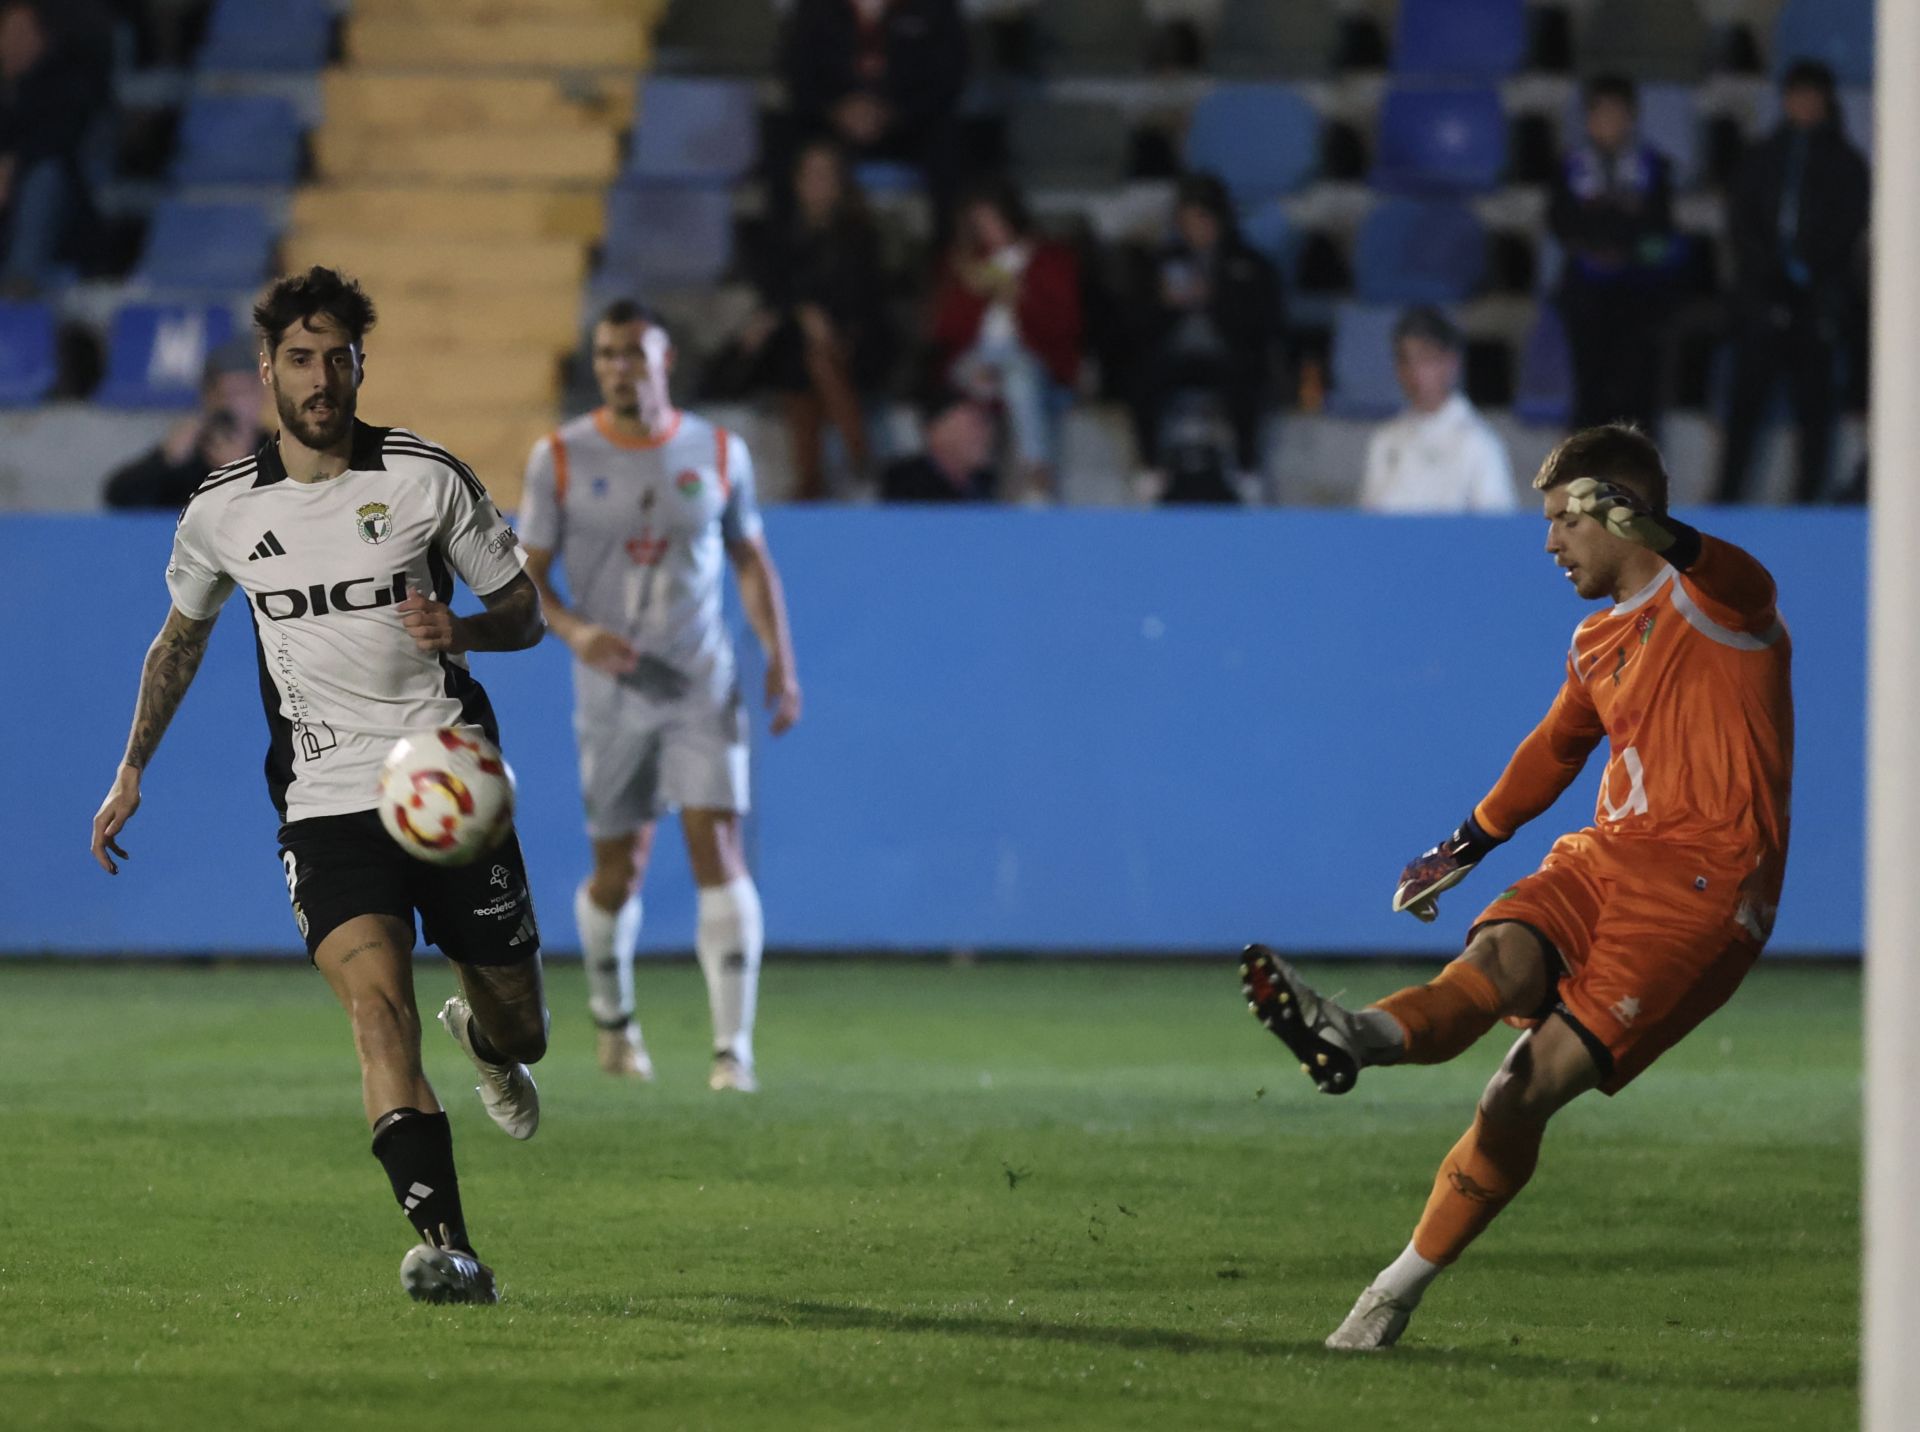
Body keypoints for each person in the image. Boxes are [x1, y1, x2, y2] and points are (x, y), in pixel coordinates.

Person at [1242, 422, 1792, 1350]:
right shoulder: (1593, 641)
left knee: (1516, 1094)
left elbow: (1746, 581)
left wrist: (1665, 533)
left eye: (1562, 522)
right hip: (1604, 856)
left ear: (1617, 513)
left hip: (1702, 890)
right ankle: (1353, 1034)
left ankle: (1391, 1295)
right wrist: (1459, 849)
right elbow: (1554, 752)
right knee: (1494, 958)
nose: (1549, 544)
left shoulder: (1717, 603)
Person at [88, 266, 550, 1306]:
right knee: (376, 1013)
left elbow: (526, 612)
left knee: (526, 1025)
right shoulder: (220, 510)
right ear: (267, 372)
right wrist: (130, 770)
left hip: (446, 776)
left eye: (338, 357)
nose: (320, 377)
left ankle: (484, 1040)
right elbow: (178, 645)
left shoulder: (427, 477)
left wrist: (463, 628)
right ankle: (450, 1249)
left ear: (359, 366)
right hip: (327, 797)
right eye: (300, 358)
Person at [519, 300, 802, 1093]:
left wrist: (779, 657)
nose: (618, 368)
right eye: (607, 354)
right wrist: (576, 635)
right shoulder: (559, 458)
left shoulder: (717, 450)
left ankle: (731, 1055)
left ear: (663, 361)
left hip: (701, 679)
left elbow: (750, 560)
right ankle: (614, 1024)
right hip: (611, 690)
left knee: (718, 848)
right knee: (621, 868)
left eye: (633, 356)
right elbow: (527, 583)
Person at [1715, 59, 1869, 505]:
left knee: (1814, 411)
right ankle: (1728, 500)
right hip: (1761, 300)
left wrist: (1807, 276)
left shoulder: (1846, 164)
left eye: (1813, 98)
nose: (1804, 106)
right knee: (1746, 408)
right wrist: (1768, 277)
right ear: (1784, 102)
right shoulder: (1760, 158)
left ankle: (1809, 500)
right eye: (1796, 97)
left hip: (1816, 301)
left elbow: (1845, 230)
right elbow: (1741, 224)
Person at [726, 139, 895, 500]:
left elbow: (865, 302)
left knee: (817, 359)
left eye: (826, 175)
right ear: (797, 181)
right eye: (811, 175)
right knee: (803, 365)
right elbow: (776, 291)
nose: (818, 184)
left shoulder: (859, 236)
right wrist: (803, 313)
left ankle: (852, 460)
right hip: (796, 346)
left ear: (840, 183)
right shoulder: (780, 235)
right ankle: (822, 477)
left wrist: (827, 324)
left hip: (856, 346)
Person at [1128, 172, 1285, 498]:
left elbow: (1264, 323)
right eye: (1186, 220)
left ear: (1218, 218)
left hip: (1230, 355)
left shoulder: (1248, 263)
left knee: (1246, 379)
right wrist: (1165, 305)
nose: (1193, 228)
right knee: (1141, 375)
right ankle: (1150, 466)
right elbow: (1138, 325)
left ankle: (1246, 468)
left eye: (1201, 218)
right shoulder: (1165, 261)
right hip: (1176, 356)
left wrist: (1216, 299)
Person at [929, 177, 1081, 502]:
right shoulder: (963, 263)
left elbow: (1063, 325)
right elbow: (944, 329)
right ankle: (976, 487)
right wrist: (975, 290)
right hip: (974, 363)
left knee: (1018, 378)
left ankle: (1035, 475)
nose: (987, 229)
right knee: (989, 379)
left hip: (1032, 366)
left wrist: (1018, 298)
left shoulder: (1050, 260)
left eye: (992, 218)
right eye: (978, 222)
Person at [1547, 74, 1678, 432]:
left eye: (1617, 114)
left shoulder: (1654, 168)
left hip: (1639, 296)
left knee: (1638, 397)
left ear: (1631, 118)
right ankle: (1585, 482)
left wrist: (1625, 245)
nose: (1609, 122)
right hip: (1586, 296)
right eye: (1601, 113)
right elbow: (1562, 224)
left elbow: (1658, 232)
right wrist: (1603, 234)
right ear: (1589, 119)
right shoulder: (1570, 168)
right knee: (1590, 396)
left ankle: (1638, 482)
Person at [781, 0, 968, 228]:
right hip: (834, 124)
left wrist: (893, 112)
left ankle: (946, 251)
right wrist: (836, 109)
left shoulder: (933, 7)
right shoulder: (816, 7)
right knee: (786, 141)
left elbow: (949, 74)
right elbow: (797, 71)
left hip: (909, 125)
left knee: (949, 144)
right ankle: (796, 250)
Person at [0, 0, 111, 294]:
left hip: (62, 222)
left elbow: (61, 139)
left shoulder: (66, 85)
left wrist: (15, 166)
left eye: (21, 34)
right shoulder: (7, 96)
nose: (10, 43)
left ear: (42, 40)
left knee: (45, 177)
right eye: (6, 34)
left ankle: (19, 282)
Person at [1359, 307, 1516, 513]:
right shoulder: (1385, 439)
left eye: (1425, 359)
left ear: (1450, 363)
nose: (1415, 373)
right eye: (1406, 360)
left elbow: (1496, 531)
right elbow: (1368, 522)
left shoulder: (1479, 443)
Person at [102, 337, 265, 509]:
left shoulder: (278, 450)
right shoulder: (193, 453)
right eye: (224, 393)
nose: (233, 404)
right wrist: (165, 459)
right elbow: (119, 497)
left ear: (261, 393)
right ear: (208, 397)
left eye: (244, 392)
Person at [879, 387, 995, 502]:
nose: (983, 435)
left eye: (984, 426)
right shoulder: (904, 483)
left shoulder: (988, 483)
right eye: (971, 427)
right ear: (935, 432)